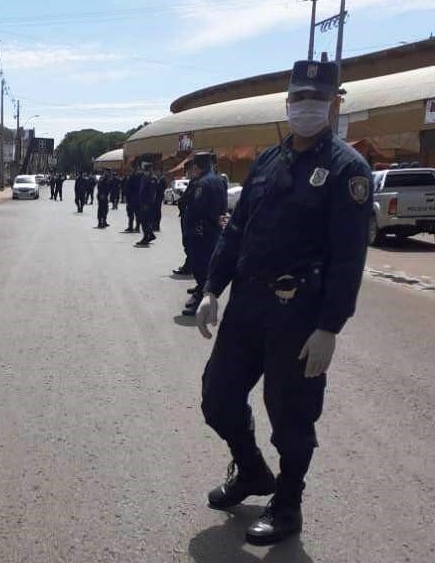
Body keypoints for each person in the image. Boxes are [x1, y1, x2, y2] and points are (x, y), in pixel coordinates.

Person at [195, 60, 373, 546]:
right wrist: (212, 288)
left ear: (333, 104)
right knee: (218, 397)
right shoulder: (268, 161)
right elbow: (236, 232)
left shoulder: (346, 169)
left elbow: (348, 257)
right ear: (287, 102)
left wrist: (330, 327)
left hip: (300, 312)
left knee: (291, 414)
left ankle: (288, 504)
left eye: (319, 99)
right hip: (247, 304)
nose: (307, 107)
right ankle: (251, 470)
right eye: (300, 98)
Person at [182, 154, 227, 316]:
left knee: (200, 267)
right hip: (213, 230)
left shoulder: (202, 183)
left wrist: (190, 229)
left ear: (197, 166)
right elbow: (224, 206)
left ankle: (201, 299)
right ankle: (203, 294)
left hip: (201, 231)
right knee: (208, 264)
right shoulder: (219, 180)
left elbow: (196, 209)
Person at [135, 170, 157, 246]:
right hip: (143, 203)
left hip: (148, 204)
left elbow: (151, 193)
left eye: (146, 170)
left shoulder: (152, 179)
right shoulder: (145, 178)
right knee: (144, 220)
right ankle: (150, 235)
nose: (144, 172)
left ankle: (146, 237)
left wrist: (147, 204)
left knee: (145, 221)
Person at [124, 168, 142, 233]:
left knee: (131, 213)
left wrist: (126, 196)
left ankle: (132, 227)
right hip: (137, 199)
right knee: (137, 214)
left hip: (132, 199)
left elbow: (127, 188)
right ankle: (136, 227)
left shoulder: (132, 178)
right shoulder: (140, 178)